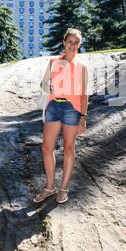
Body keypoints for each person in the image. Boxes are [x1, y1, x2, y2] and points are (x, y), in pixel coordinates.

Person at [34, 28, 89, 204]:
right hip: (53, 106)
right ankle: (50, 187)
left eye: (76, 42)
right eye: (70, 41)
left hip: (72, 109)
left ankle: (63, 188)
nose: (73, 45)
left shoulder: (82, 67)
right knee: (46, 148)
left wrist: (83, 117)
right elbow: (43, 83)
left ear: (79, 45)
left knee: (69, 148)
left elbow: (84, 95)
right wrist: (48, 87)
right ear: (64, 42)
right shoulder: (53, 62)